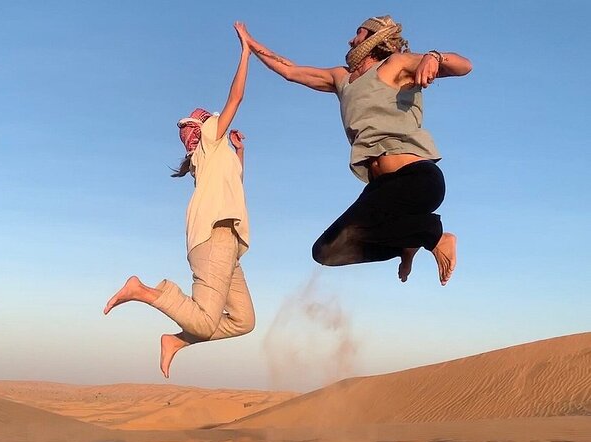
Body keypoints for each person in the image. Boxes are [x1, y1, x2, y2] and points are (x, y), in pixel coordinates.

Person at [235, 16, 472, 285]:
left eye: (358, 33)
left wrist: (434, 56)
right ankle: (406, 243)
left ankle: (434, 235)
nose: (351, 39)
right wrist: (250, 44)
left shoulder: (394, 65)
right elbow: (290, 71)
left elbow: (464, 66)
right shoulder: (342, 78)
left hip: (416, 179)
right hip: (379, 188)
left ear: (374, 38)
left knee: (364, 227)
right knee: (326, 251)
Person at [103, 22, 255, 378]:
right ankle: (143, 291)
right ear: (203, 126)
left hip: (229, 242)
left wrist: (240, 151)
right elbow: (236, 98)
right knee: (204, 324)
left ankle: (177, 340)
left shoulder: (215, 156)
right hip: (214, 236)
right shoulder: (208, 138)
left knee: (244, 321)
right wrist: (245, 53)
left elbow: (237, 184)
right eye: (207, 119)